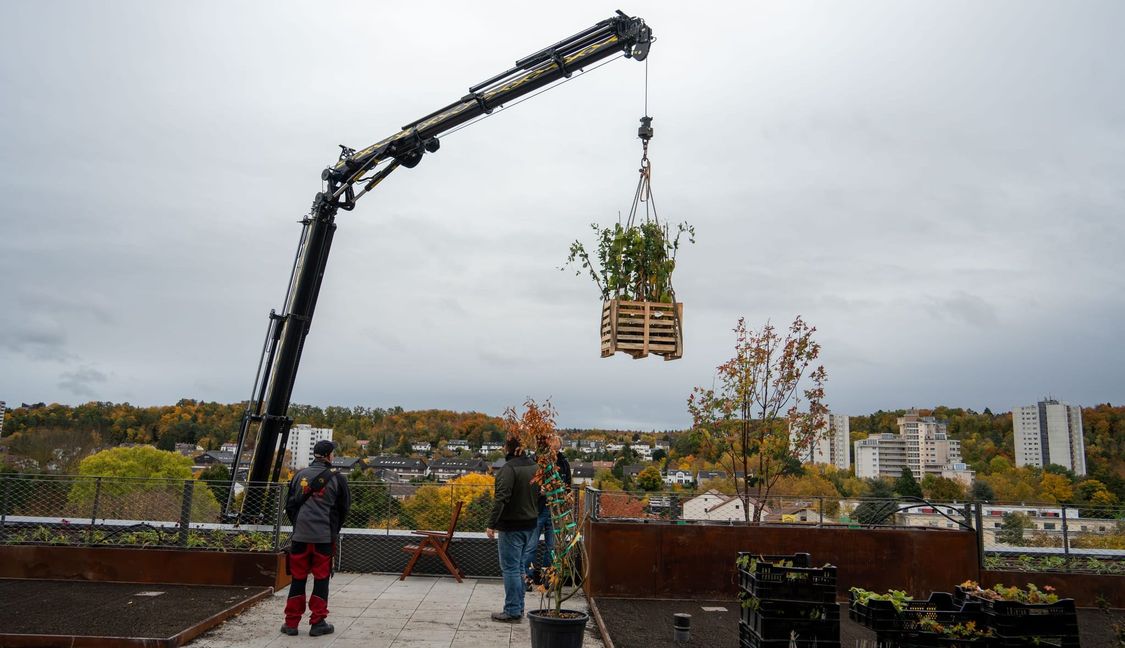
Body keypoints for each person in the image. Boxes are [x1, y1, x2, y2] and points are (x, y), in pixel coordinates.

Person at [281, 439, 350, 637]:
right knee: (321, 578)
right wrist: (333, 529)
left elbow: (290, 506)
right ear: (329, 455)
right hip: (323, 538)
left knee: (298, 578)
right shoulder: (337, 478)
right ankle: (318, 622)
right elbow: (343, 508)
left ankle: (291, 623)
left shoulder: (299, 475)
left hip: (300, 537)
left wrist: (299, 526)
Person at [486, 435, 540, 622]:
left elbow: (501, 499)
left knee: (510, 569)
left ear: (509, 449)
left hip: (512, 526)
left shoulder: (508, 469)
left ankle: (512, 611)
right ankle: (518, 607)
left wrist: (491, 524)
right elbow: (541, 495)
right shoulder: (534, 466)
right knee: (519, 568)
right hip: (531, 525)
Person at [528, 435, 571, 586]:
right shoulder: (538, 462)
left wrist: (560, 494)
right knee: (531, 546)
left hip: (555, 511)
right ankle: (527, 578)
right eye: (553, 448)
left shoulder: (564, 463)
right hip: (538, 510)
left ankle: (547, 580)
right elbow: (529, 483)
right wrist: (539, 490)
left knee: (551, 547)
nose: (555, 451)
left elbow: (568, 487)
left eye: (557, 449)